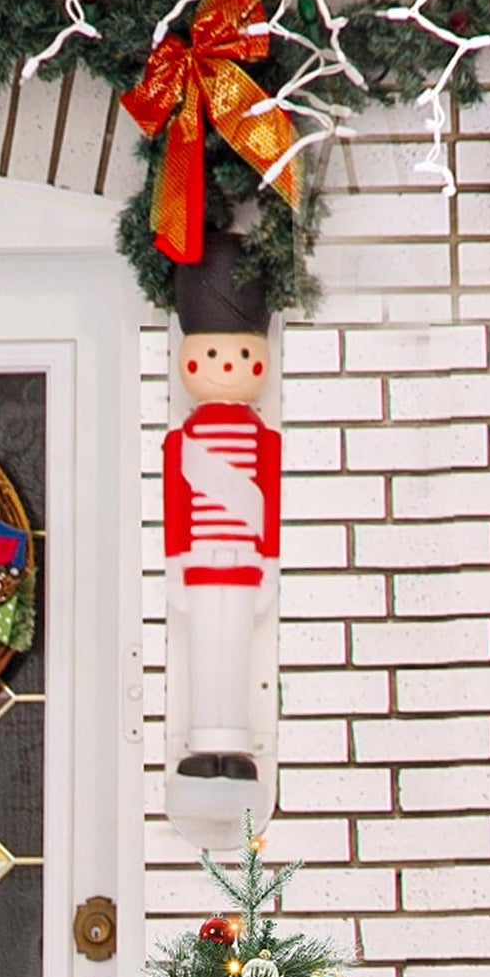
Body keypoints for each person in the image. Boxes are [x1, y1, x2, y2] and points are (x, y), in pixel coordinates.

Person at [163, 231, 280, 783]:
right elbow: (176, 505)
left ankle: (232, 742)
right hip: (200, 565)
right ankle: (200, 741)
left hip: (244, 565)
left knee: (233, 654)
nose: (226, 365)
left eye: (237, 353)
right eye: (212, 354)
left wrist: (269, 567)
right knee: (204, 654)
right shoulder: (181, 442)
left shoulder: (263, 441)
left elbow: (270, 508)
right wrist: (175, 567)